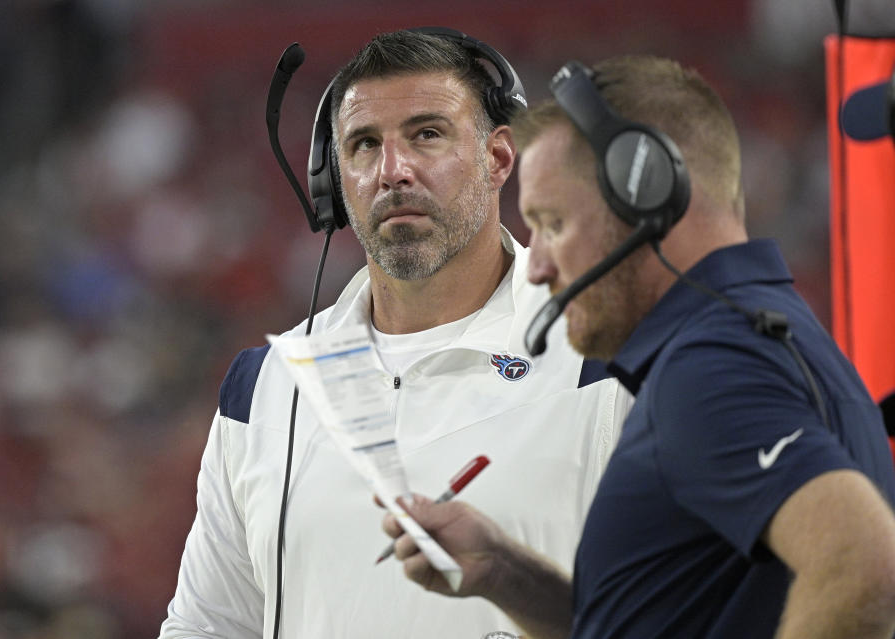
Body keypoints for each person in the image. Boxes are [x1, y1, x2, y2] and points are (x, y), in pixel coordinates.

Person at [383, 54, 895, 639]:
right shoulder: (762, 336)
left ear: (647, 191)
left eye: (551, 223)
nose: (539, 265)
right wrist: (506, 571)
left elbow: (864, 566)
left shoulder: (714, 365)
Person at [158, 30, 632, 638]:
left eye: (426, 135)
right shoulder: (266, 388)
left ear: (499, 158)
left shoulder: (608, 360)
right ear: (333, 181)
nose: (392, 171)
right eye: (363, 144)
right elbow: (207, 627)